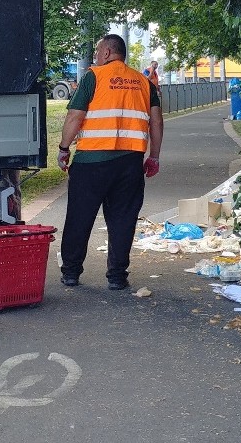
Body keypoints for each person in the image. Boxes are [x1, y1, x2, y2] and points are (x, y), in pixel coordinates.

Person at [56, 34, 164, 290]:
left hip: (91, 162)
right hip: (130, 164)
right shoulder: (144, 82)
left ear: (106, 53)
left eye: (97, 51)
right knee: (123, 220)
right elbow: (156, 121)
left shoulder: (94, 77)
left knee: (79, 218)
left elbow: (74, 116)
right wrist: (154, 157)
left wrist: (63, 148)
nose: (95, 56)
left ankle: (71, 272)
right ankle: (117, 276)